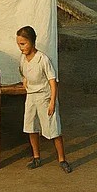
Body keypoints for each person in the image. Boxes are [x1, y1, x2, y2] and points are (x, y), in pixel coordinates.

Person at [17, 26, 70, 173]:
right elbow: (23, 71)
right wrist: (25, 80)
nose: (21, 47)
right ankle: (36, 157)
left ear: (32, 42)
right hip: (31, 97)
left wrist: (52, 101)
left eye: (23, 44)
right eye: (19, 44)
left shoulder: (43, 59)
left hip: (45, 96)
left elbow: (53, 81)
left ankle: (62, 159)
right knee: (31, 127)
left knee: (53, 128)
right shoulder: (23, 59)